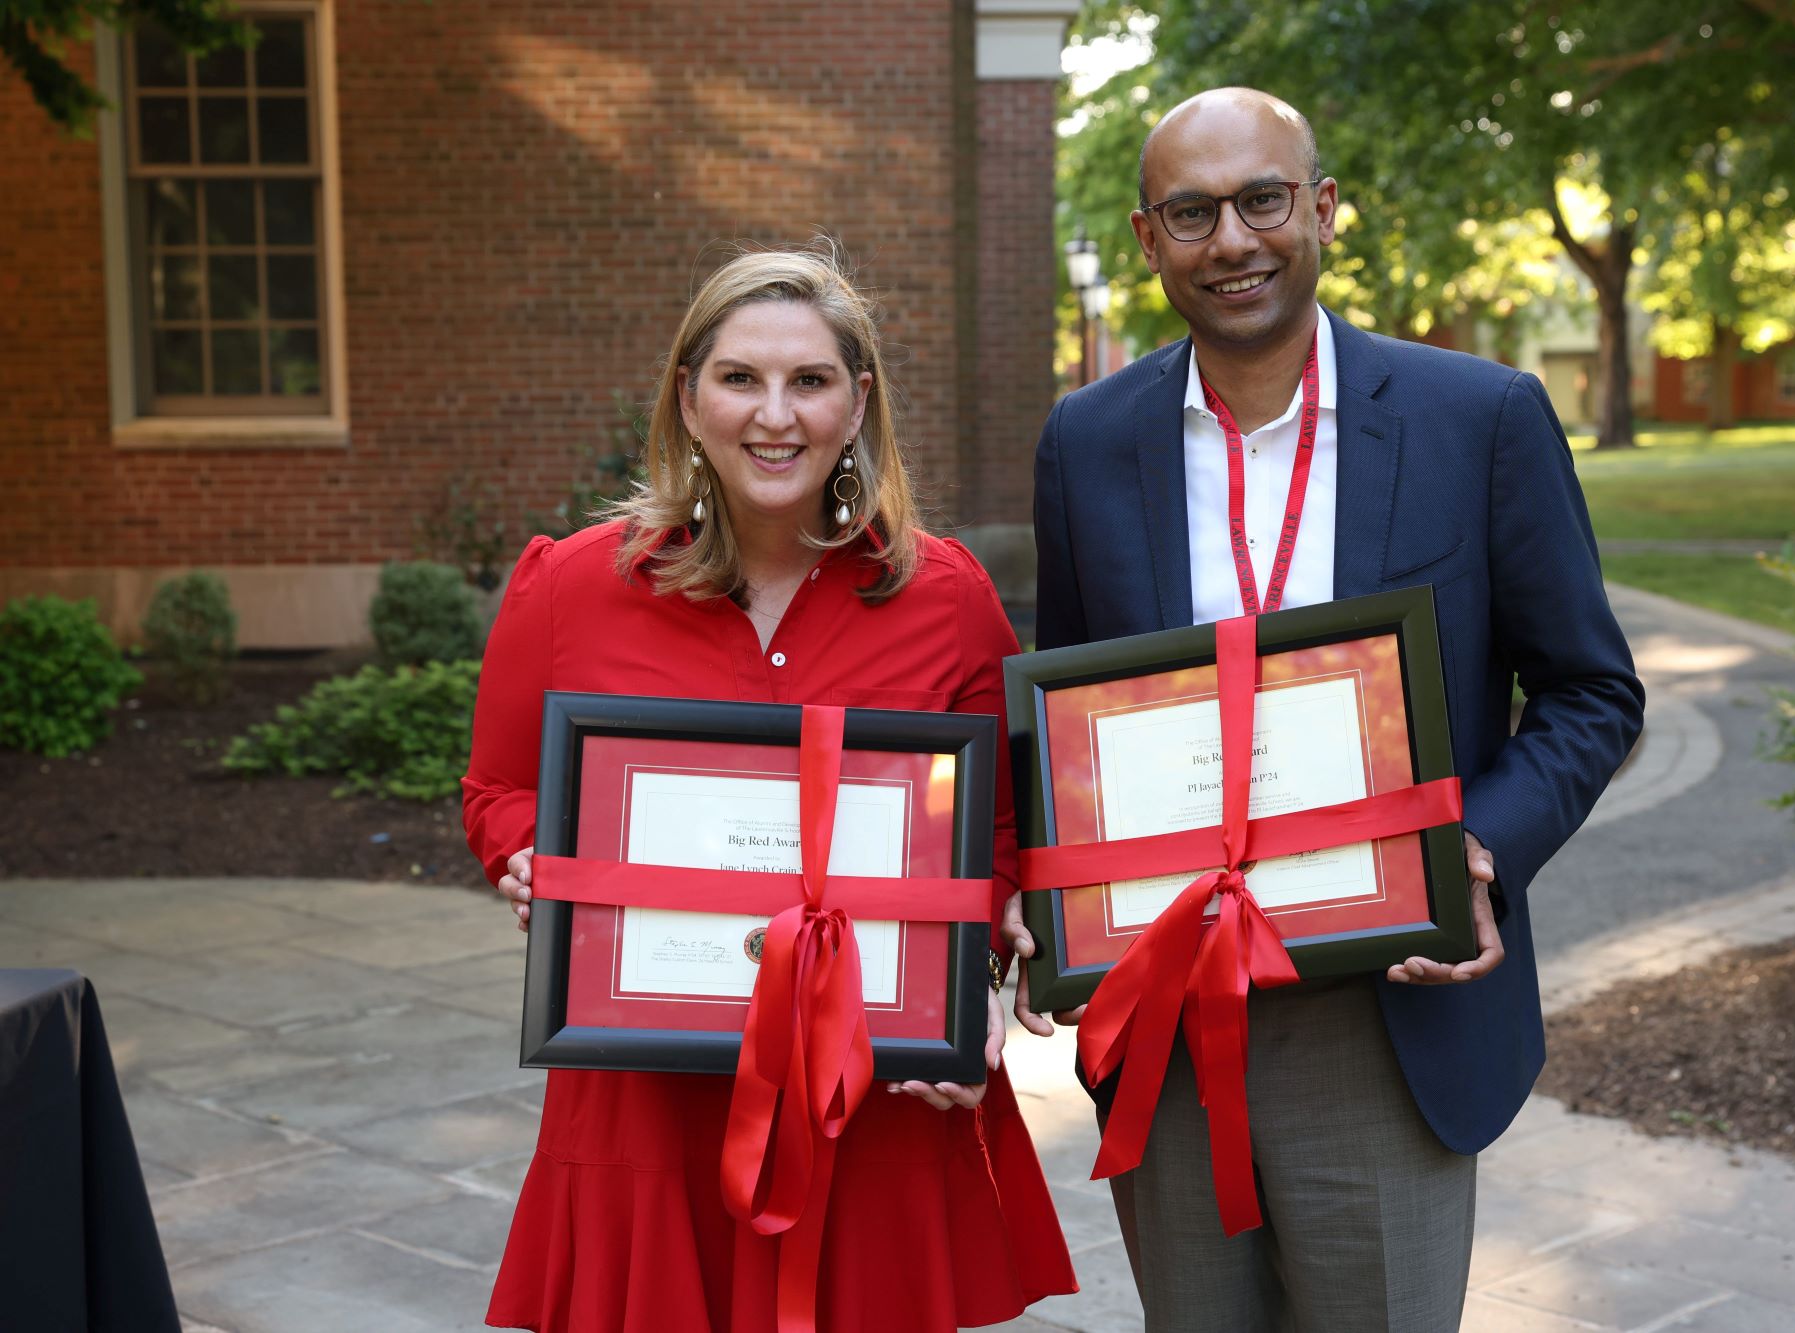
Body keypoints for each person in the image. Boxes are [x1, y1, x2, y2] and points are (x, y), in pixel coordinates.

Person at [1007, 89, 1645, 1331]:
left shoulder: (1481, 418)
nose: (1232, 240)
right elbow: (1069, 719)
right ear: (1147, 240)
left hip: (1390, 1006)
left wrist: (1476, 850)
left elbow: (1588, 690)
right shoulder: (1084, 444)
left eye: (1262, 200)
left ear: (1322, 210)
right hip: (1170, 1005)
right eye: (1192, 213)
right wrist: (1045, 892)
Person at [462, 246, 1076, 1332]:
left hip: (875, 1092)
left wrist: (962, 985)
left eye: (809, 380)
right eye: (739, 378)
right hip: (646, 1089)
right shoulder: (572, 587)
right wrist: (527, 857)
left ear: (858, 401)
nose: (773, 415)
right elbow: (501, 787)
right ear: (687, 398)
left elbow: (998, 838)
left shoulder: (943, 597)